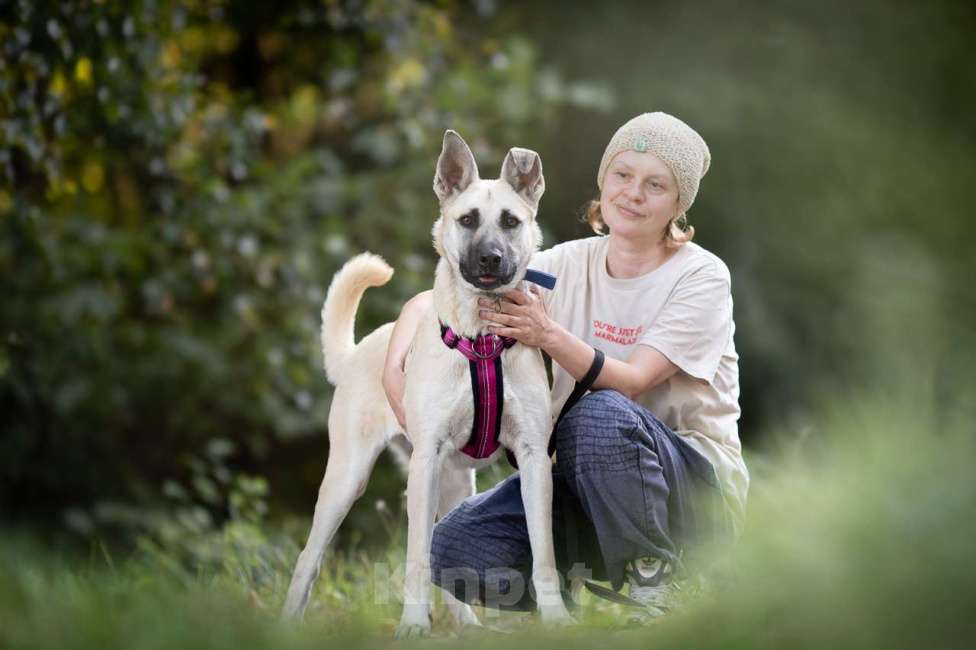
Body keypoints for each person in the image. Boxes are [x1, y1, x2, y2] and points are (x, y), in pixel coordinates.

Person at [382, 112, 748, 622]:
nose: (632, 194)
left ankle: (663, 577)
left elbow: (635, 381)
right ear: (603, 181)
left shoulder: (701, 276)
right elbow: (455, 289)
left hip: (690, 488)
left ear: (678, 204)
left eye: (655, 184)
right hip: (584, 480)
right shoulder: (562, 267)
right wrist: (397, 348)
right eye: (622, 175)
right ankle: (579, 601)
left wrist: (546, 333)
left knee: (599, 415)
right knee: (456, 547)